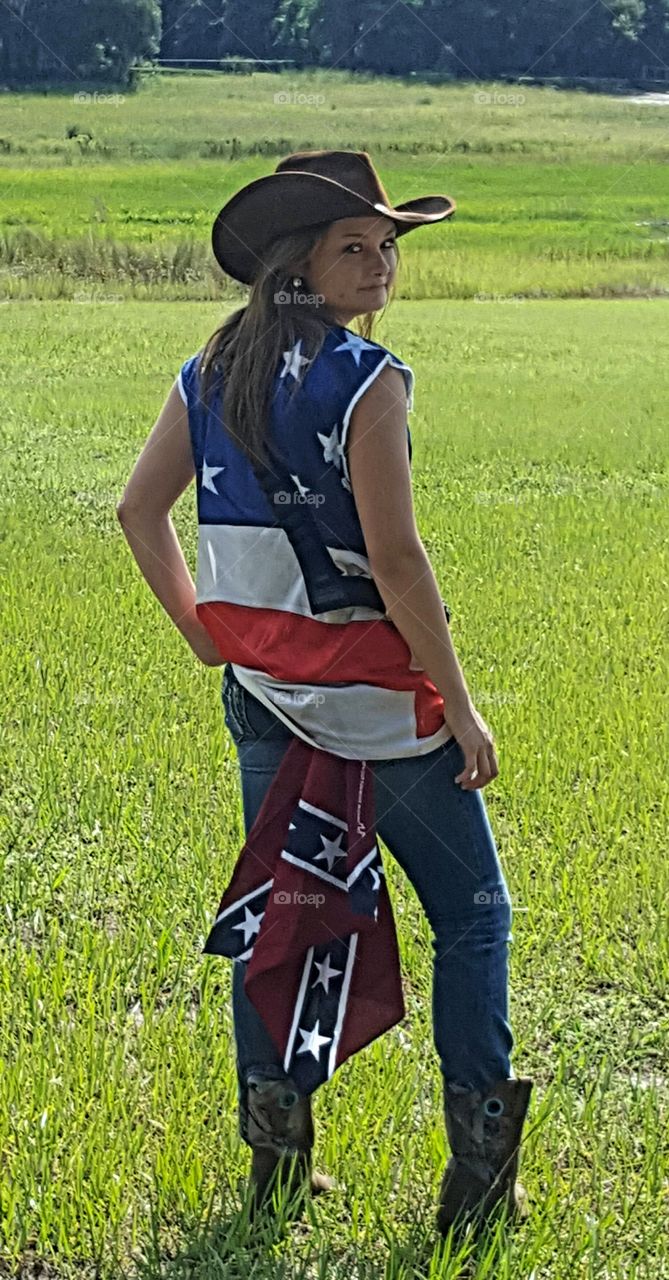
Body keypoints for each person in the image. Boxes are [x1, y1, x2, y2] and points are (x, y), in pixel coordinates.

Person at [116, 149, 533, 1238]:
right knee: (475, 914)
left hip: (266, 698)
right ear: (300, 261)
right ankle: (480, 1183)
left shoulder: (208, 370)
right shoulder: (370, 381)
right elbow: (397, 562)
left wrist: (207, 635)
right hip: (380, 712)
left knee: (283, 914)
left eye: (388, 244)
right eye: (357, 244)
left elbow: (137, 512)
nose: (382, 262)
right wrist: (463, 702)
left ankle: (278, 1171)